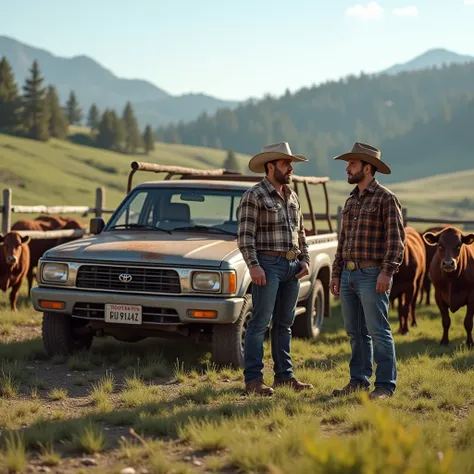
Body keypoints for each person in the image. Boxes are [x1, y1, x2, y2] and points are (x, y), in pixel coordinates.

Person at [329, 142, 405, 400]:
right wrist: (336, 273)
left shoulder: (386, 198)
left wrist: (387, 273)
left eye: (351, 164)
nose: (347, 169)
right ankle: (359, 380)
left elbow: (396, 240)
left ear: (367, 168)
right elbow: (343, 242)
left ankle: (385, 385)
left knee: (378, 330)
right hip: (349, 275)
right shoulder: (350, 201)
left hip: (373, 275)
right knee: (355, 332)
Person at [237, 142, 314, 396]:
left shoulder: (292, 196)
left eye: (291, 164)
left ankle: (284, 377)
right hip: (267, 266)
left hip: (292, 267)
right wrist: (254, 266)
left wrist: (305, 259)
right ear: (270, 167)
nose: (291, 168)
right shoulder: (254, 195)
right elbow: (245, 236)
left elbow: (301, 232)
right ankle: (254, 380)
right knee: (260, 323)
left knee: (284, 324)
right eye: (285, 164)